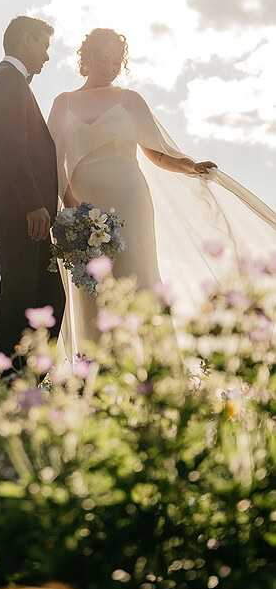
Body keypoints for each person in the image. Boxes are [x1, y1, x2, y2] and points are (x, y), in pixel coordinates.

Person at [48, 27, 276, 354]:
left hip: (130, 202)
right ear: (85, 59)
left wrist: (190, 166)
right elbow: (53, 161)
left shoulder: (130, 100)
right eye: (103, 60)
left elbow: (156, 152)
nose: (110, 67)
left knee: (135, 280)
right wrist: (72, 208)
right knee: (91, 288)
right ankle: (92, 376)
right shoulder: (62, 103)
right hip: (81, 207)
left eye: (116, 61)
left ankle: (150, 371)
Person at [0, 16, 65, 373]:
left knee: (46, 300)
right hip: (22, 214)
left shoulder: (9, 82)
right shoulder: (8, 81)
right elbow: (12, 147)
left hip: (27, 214)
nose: (46, 56)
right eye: (44, 46)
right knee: (20, 300)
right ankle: (14, 385)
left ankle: (25, 382)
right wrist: (33, 204)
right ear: (26, 40)